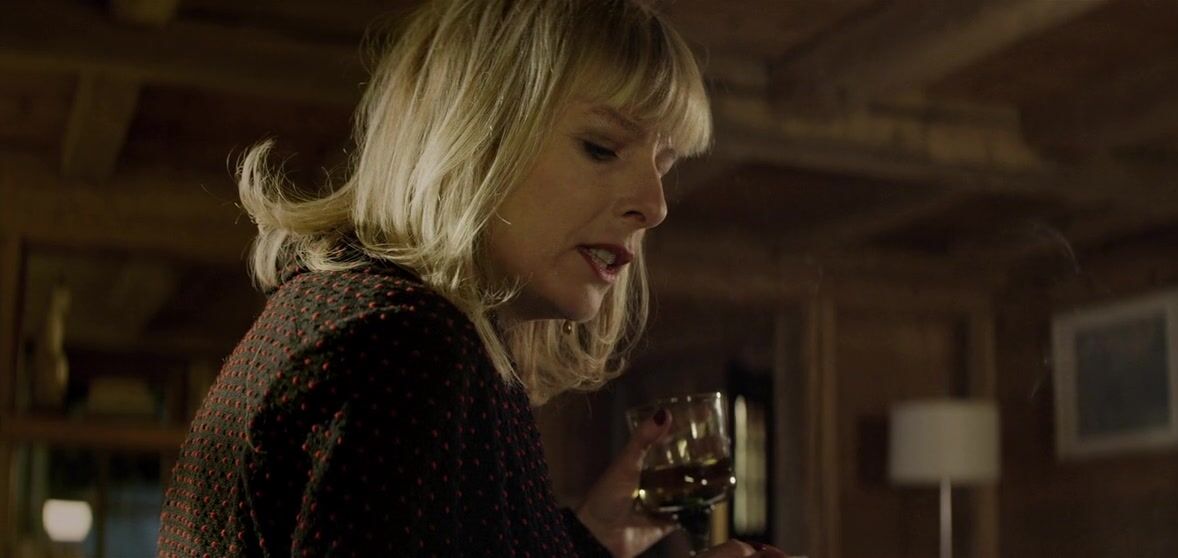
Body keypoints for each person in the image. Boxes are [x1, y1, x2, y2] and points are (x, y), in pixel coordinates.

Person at [156, 0, 787, 556]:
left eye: (663, 165)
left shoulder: (364, 316)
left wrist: (595, 537)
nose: (655, 205)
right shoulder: (404, 345)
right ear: (472, 135)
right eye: (602, 147)